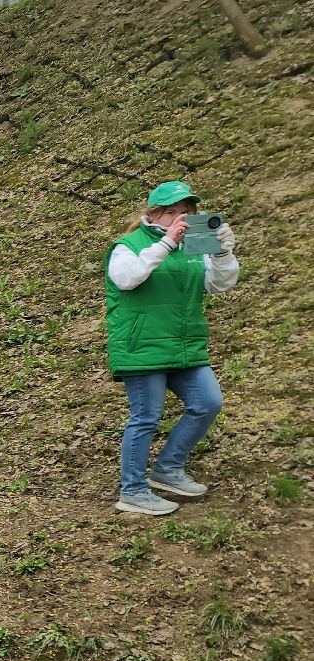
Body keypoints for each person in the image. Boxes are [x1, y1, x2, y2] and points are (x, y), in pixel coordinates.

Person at [106, 180, 240, 517]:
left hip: (185, 345)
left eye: (186, 212)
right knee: (146, 417)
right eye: (172, 212)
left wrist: (222, 253)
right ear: (154, 214)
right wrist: (166, 243)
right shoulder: (128, 245)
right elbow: (127, 279)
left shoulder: (194, 248)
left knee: (208, 402)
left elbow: (219, 284)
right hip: (143, 346)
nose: (180, 218)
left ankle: (167, 470)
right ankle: (133, 490)